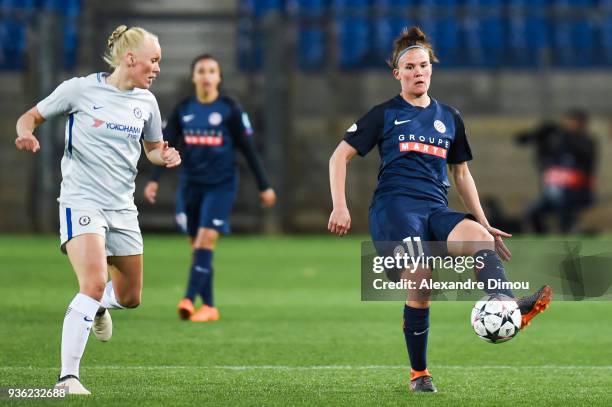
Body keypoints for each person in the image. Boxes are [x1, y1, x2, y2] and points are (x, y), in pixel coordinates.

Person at [327, 27, 552, 393]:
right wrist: (340, 205)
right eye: (410, 67)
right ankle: (419, 374)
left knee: (481, 240)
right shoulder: (384, 114)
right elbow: (340, 156)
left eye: (423, 65)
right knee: (421, 278)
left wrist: (484, 222)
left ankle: (507, 305)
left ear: (431, 69)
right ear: (397, 74)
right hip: (394, 209)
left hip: (434, 208)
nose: (418, 71)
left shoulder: (449, 117)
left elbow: (460, 172)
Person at [15, 25, 180, 395]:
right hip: (81, 200)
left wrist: (163, 156)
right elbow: (30, 116)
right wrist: (26, 132)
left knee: (130, 297)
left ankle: (100, 306)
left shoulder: (147, 103)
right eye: (153, 61)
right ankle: (66, 379)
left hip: (123, 208)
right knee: (90, 282)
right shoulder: (80, 89)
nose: (156, 68)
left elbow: (151, 148)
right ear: (130, 57)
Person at [143, 54, 276, 322]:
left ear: (219, 77)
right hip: (191, 185)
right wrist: (155, 179)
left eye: (211, 71)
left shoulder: (230, 109)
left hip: (221, 186)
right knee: (198, 248)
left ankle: (189, 299)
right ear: (193, 77)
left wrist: (265, 186)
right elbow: (163, 147)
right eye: (201, 71)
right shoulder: (183, 109)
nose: (206, 75)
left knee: (205, 240)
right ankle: (210, 307)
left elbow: (248, 149)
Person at [516, 109, 597, 233]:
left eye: (575, 122)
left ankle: (569, 231)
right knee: (531, 211)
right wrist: (541, 138)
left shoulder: (586, 142)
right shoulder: (559, 143)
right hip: (554, 192)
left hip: (577, 192)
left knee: (563, 204)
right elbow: (544, 160)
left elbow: (584, 156)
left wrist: (564, 135)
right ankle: (543, 239)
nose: (571, 125)